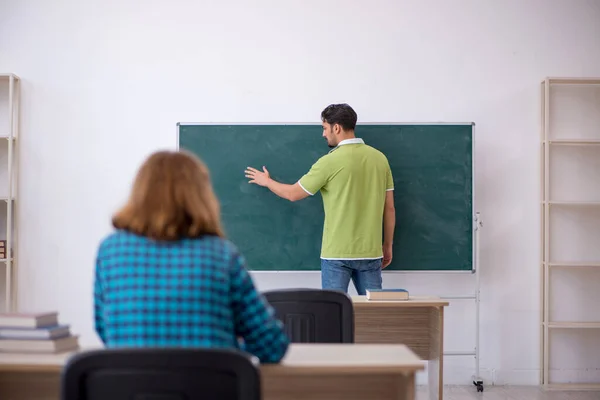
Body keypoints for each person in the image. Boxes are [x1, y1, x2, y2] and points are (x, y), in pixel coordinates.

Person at [94, 150, 289, 363]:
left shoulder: (110, 252)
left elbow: (106, 332)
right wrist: (225, 348)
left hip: (132, 389)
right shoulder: (221, 255)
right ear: (200, 195)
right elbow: (271, 346)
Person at [245, 103, 395, 295]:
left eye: (325, 128)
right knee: (376, 316)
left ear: (337, 127)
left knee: (333, 313)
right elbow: (389, 209)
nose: (324, 134)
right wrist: (387, 246)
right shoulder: (380, 159)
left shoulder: (329, 162)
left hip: (336, 255)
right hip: (372, 252)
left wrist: (266, 181)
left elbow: (293, 194)